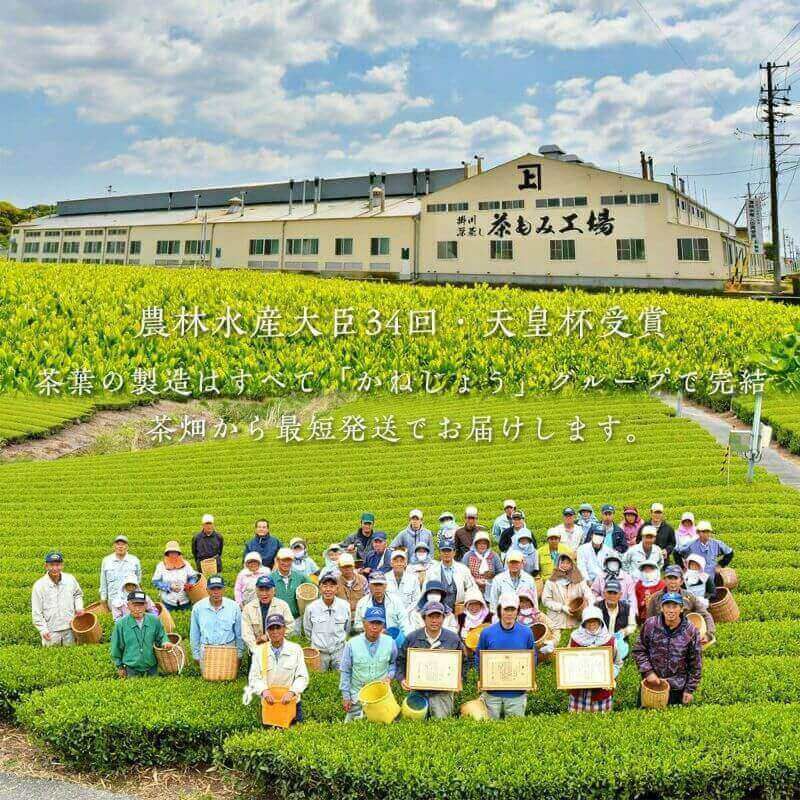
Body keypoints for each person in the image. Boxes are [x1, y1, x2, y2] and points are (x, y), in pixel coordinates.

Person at [398, 601, 467, 719]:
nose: (434, 620)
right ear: (424, 618)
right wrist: (402, 678)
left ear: (443, 618)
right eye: (430, 616)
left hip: (442, 693)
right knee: (414, 726)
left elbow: (463, 662)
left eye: (438, 616)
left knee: (441, 726)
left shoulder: (453, 639)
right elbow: (401, 660)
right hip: (418, 691)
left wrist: (459, 678)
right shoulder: (412, 638)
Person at [633, 592, 702, 706]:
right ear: (661, 608)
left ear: (681, 609)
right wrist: (648, 672)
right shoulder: (651, 624)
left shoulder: (690, 630)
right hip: (652, 684)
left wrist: (689, 689)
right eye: (667, 606)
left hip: (676, 689)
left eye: (675, 606)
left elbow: (696, 663)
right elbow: (639, 650)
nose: (671, 610)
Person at [475, 593, 536, 719]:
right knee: (490, 728)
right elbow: (479, 657)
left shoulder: (526, 632)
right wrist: (481, 677)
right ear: (500, 610)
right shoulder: (487, 633)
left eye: (512, 609)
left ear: (517, 611)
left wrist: (530, 677)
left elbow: (532, 657)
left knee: (515, 729)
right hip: (492, 693)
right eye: (506, 609)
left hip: (517, 693)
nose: (509, 613)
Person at [246, 614, 309, 724]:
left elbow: (302, 677)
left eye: (278, 627)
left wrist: (292, 692)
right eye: (271, 628)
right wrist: (264, 691)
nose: (275, 631)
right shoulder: (259, 651)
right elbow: (254, 678)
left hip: (292, 704)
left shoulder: (295, 649)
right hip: (270, 705)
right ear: (267, 631)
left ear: (284, 629)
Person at [339, 606, 398, 721]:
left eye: (378, 623)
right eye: (371, 622)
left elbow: (393, 663)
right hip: (357, 698)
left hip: (381, 698)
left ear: (383, 625)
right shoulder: (352, 644)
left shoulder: (390, 643)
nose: (374, 627)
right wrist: (346, 697)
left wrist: (390, 676)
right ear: (364, 623)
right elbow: (345, 671)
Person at [567, 606, 623, 712]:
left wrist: (611, 675)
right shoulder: (575, 638)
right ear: (583, 623)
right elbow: (567, 660)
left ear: (600, 622)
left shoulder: (609, 640)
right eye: (588, 621)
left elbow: (618, 662)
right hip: (579, 692)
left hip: (601, 693)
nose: (592, 624)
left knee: (601, 725)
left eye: (595, 621)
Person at [110, 590, 170, 678]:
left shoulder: (154, 620)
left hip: (152, 666)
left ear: (146, 605)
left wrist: (165, 642)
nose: (138, 609)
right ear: (128, 605)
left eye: (141, 605)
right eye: (134, 605)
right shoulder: (121, 624)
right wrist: (119, 666)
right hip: (131, 668)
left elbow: (161, 636)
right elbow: (116, 646)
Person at [646, 566, 716, 640]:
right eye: (669, 578)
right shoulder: (655, 598)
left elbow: (705, 615)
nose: (672, 581)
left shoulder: (689, 596)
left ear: (681, 581)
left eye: (676, 578)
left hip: (687, 637)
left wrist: (708, 634)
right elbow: (649, 621)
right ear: (665, 580)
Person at [189, 574, 243, 668]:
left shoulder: (234, 607)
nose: (216, 592)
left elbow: (239, 633)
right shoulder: (198, 608)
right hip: (206, 650)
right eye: (212, 589)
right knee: (208, 680)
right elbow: (194, 633)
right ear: (207, 590)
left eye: (219, 588)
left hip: (228, 649)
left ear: (224, 589)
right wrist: (196, 655)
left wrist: (239, 654)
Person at [32, 551, 84, 646]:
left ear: (62, 565)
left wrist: (79, 607)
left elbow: (78, 594)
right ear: (46, 566)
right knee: (51, 658)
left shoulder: (70, 579)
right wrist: (43, 630)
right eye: (52, 565)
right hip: (51, 632)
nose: (55, 568)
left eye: (58, 565)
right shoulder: (39, 586)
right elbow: (36, 612)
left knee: (71, 657)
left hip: (70, 629)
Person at [302, 572, 351, 670]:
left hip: (339, 651)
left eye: (332, 586)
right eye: (325, 586)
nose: (328, 589)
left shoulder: (344, 606)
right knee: (319, 679)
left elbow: (347, 627)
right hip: (319, 652)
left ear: (337, 589)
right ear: (320, 588)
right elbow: (308, 630)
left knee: (340, 679)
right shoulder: (311, 608)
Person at [541, 552, 594, 637]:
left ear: (572, 564)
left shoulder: (579, 579)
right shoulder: (551, 581)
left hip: (576, 621)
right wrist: (562, 607)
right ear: (558, 563)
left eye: (567, 563)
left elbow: (588, 594)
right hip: (557, 621)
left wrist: (590, 607)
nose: (565, 565)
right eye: (562, 562)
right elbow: (546, 600)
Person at [241, 575, 294, 651]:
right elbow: (246, 633)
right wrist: (255, 649)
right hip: (255, 649)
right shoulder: (248, 608)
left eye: (267, 590)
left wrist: (269, 637)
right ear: (256, 591)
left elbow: (290, 626)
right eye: (261, 590)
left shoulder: (282, 605)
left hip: (278, 648)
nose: (264, 593)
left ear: (274, 591)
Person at [353, 572, 409, 636]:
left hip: (393, 638)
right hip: (370, 638)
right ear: (369, 586)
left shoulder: (396, 601)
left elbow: (404, 623)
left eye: (380, 585)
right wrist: (372, 631)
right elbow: (357, 626)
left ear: (385, 586)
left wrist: (407, 639)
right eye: (375, 585)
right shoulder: (362, 603)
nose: (378, 588)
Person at [270, 548, 311, 633]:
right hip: (276, 619)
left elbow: (311, 589)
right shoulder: (270, 578)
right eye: (283, 560)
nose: (286, 563)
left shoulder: (300, 577)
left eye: (289, 560)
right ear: (277, 561)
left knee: (294, 642)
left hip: (295, 619)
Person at [425, 541, 475, 610]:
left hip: (458, 609)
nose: (446, 553)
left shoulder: (463, 569)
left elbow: (472, 588)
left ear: (454, 552)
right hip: (438, 609)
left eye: (449, 551)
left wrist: (465, 602)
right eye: (443, 551)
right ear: (439, 553)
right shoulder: (431, 570)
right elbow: (425, 591)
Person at [595, 579, 636, 658]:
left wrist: (624, 631)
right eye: (609, 592)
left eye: (615, 593)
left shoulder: (627, 608)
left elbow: (632, 625)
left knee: (620, 657)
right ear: (604, 593)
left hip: (619, 644)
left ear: (620, 594)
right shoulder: (596, 608)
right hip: (599, 643)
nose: (612, 596)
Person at [152, 541, 197, 612]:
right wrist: (169, 586)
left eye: (175, 552)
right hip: (168, 602)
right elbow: (156, 582)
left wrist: (190, 584)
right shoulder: (161, 566)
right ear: (167, 553)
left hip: (185, 601)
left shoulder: (186, 564)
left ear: (178, 553)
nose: (173, 554)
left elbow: (193, 577)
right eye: (171, 552)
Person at [99, 535, 141, 608]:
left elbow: (138, 580)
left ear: (127, 547)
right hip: (113, 601)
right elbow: (103, 582)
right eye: (118, 544)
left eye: (123, 544)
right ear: (114, 546)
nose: (120, 546)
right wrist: (103, 599)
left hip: (131, 601)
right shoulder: (106, 561)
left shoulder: (134, 560)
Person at [462, 531, 503, 601]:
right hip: (472, 588)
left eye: (484, 543)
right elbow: (463, 574)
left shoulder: (494, 556)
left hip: (491, 588)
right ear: (475, 544)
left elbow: (501, 573)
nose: (482, 545)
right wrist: (475, 580)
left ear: (488, 545)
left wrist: (491, 581)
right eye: (480, 543)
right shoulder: (468, 555)